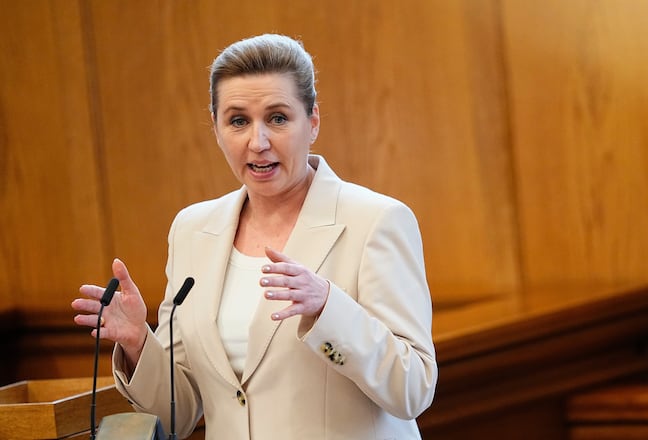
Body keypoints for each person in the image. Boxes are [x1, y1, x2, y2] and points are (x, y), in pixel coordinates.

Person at [72, 33, 437, 439]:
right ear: (215, 127)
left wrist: (328, 308)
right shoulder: (193, 230)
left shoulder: (377, 220)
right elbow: (179, 414)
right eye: (238, 120)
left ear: (312, 121)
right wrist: (140, 343)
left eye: (278, 118)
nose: (257, 142)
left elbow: (414, 389)